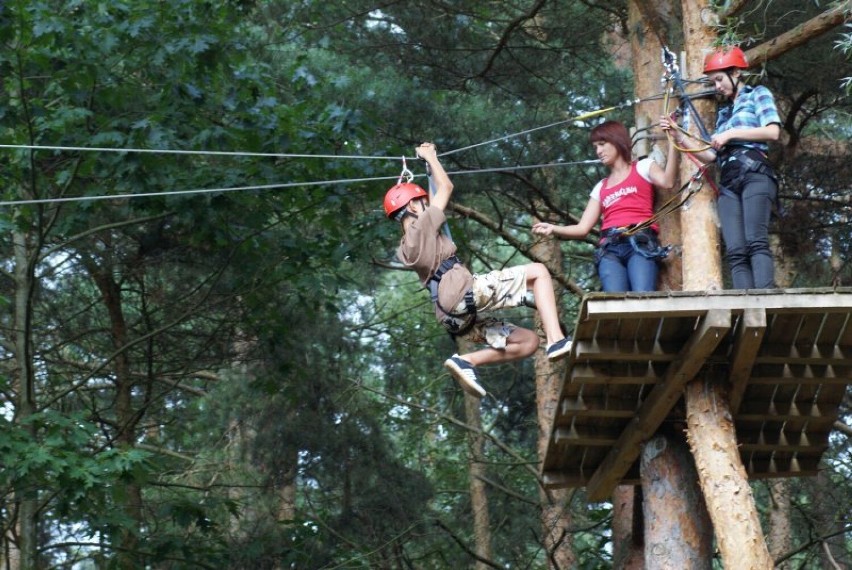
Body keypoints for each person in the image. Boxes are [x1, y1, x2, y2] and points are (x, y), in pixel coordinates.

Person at [385, 142, 572, 398]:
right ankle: (556, 339)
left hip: (453, 317)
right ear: (414, 207)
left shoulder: (407, 247)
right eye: (422, 203)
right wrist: (430, 157)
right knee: (539, 271)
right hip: (462, 292)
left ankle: (467, 362)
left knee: (528, 342)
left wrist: (429, 169)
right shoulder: (423, 225)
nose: (427, 206)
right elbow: (447, 188)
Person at [662, 46, 780, 289]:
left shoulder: (757, 94)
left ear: (736, 72)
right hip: (729, 179)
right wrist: (678, 135)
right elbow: (710, 155)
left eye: (718, 79)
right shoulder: (724, 113)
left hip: (754, 172)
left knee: (755, 241)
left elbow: (773, 131)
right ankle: (745, 306)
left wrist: (732, 134)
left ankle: (766, 300)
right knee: (736, 250)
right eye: (712, 81)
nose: (716, 86)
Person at [531, 120, 679, 292]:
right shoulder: (601, 187)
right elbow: (582, 228)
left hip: (640, 243)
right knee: (615, 305)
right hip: (610, 249)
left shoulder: (643, 167)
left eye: (602, 144)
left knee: (643, 298)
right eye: (595, 147)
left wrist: (674, 143)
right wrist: (553, 228)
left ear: (617, 141)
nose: (598, 151)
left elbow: (667, 182)